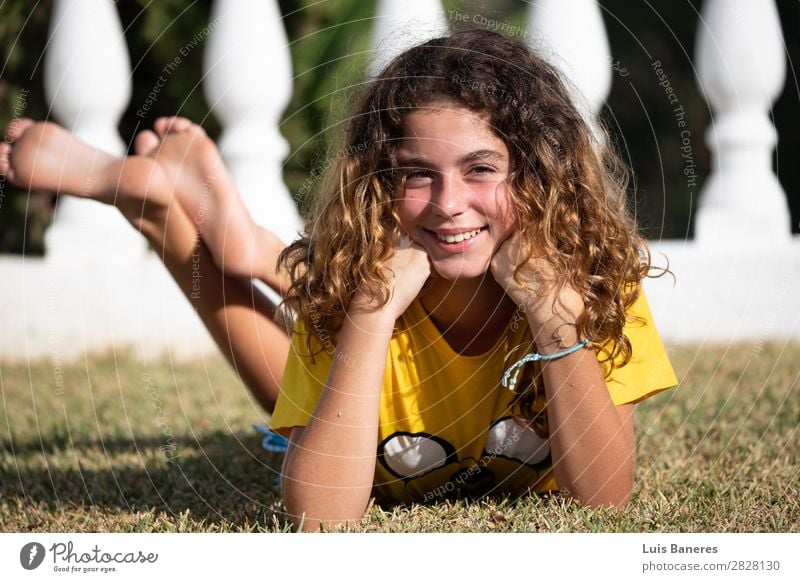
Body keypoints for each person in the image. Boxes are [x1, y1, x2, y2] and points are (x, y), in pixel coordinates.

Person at [0, 29, 677, 532]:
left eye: (481, 169)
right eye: (417, 174)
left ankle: (189, 224)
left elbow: (604, 499)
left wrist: (555, 323)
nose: (448, 204)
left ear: (541, 172)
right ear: (381, 181)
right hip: (357, 330)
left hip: (420, 319)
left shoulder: (594, 278)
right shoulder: (365, 277)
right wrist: (370, 314)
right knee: (317, 341)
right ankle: (220, 237)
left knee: (284, 381)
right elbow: (321, 520)